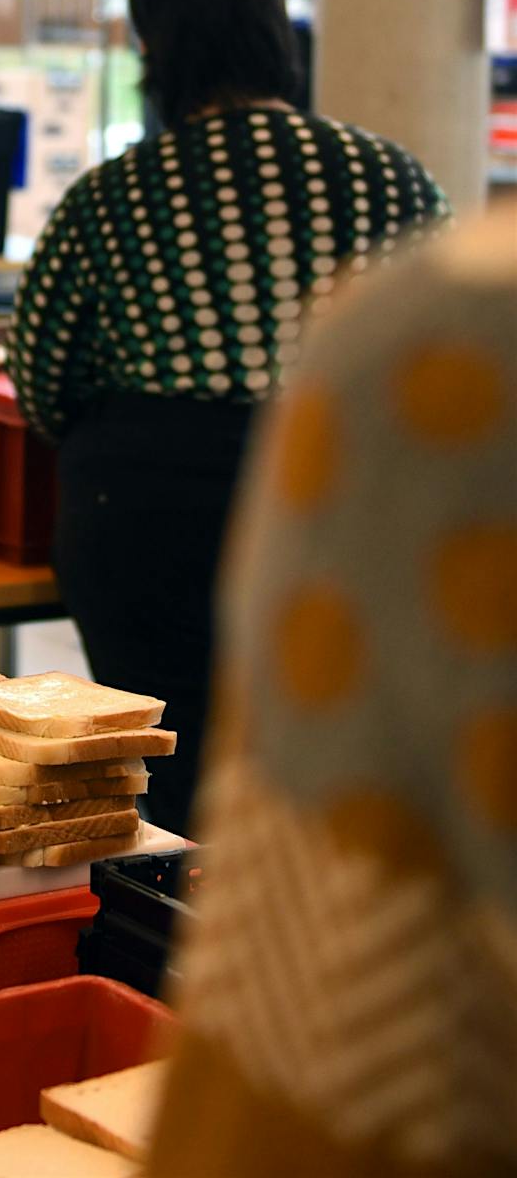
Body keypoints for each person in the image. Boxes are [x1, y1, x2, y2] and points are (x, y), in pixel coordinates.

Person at [8, 0, 448, 837]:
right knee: (332, 765)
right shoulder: (390, 179)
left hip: (151, 519)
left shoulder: (116, 196)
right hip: (346, 501)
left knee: (171, 775)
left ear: (152, 47)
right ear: (276, 33)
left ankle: (171, 958)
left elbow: (43, 382)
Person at [144, 201, 516, 1176]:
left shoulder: (437, 348)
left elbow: (303, 1057)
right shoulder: (384, 181)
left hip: (146, 499)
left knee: (179, 779)